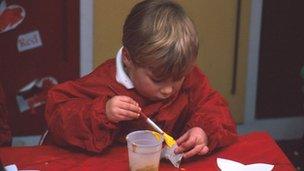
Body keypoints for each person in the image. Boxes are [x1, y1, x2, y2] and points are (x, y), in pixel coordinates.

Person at [45, 0, 237, 159]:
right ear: (128, 59)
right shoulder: (106, 81)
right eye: (158, 80)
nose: (169, 90)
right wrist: (103, 112)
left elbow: (215, 109)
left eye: (178, 78)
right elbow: (57, 112)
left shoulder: (190, 79)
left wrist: (203, 131)